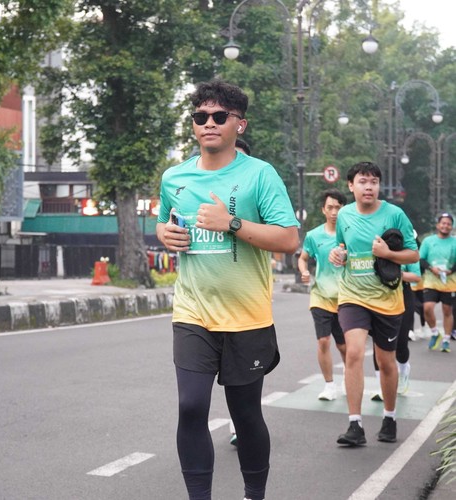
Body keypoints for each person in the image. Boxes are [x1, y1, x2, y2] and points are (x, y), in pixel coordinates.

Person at [156, 79, 300, 500]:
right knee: (191, 407)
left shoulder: (260, 174)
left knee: (246, 414)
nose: (209, 123)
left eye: (220, 116)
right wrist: (165, 234)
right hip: (193, 313)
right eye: (200, 116)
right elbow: (164, 223)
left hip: (247, 317)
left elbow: (289, 239)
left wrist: (231, 223)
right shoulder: (174, 177)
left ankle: (254, 494)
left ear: (240, 124)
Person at [329, 161, 418, 446]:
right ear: (351, 186)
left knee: (385, 361)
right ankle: (355, 425)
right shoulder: (344, 214)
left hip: (387, 300)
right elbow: (342, 247)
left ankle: (389, 417)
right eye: (363, 181)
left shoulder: (395, 214)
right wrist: (337, 255)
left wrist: (388, 253)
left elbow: (413, 255)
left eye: (374, 182)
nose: (369, 187)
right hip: (352, 296)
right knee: (353, 353)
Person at [298, 188, 347, 401]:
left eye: (338, 207)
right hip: (321, 297)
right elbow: (303, 258)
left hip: (346, 298)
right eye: (330, 207)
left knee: (344, 345)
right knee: (324, 341)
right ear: (323, 210)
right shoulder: (313, 235)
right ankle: (329, 385)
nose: (334, 212)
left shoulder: (351, 234)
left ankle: (348, 375)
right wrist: (304, 271)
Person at [229, 137, 252, 448]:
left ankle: (241, 423)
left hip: (248, 303)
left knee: (243, 380)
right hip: (201, 307)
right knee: (192, 399)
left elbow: (286, 238)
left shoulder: (258, 189)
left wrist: (231, 222)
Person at [370, 260, 422, 400]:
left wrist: (394, 274)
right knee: (378, 343)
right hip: (378, 296)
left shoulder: (405, 250)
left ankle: (404, 369)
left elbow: (416, 277)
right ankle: (381, 386)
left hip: (402, 295)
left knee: (400, 344)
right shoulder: (373, 249)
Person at [419, 212, 456, 353]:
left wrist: (451, 270)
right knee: (427, 308)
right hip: (431, 281)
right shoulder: (428, 241)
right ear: (438, 225)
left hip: (449, 282)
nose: (445, 226)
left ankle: (446, 340)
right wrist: (431, 268)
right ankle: (435, 332)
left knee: (447, 310)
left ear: (452, 227)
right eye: (443, 223)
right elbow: (421, 259)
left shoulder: (454, 242)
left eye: (449, 224)